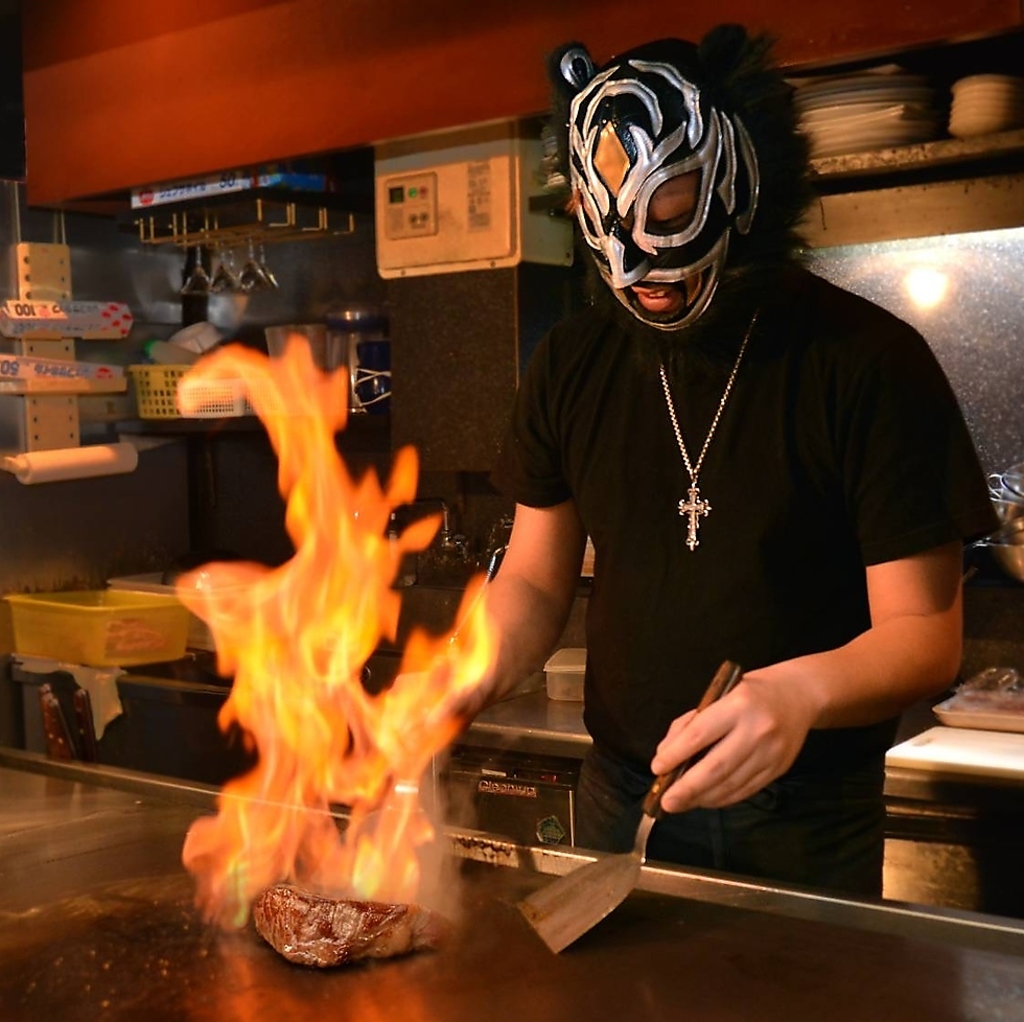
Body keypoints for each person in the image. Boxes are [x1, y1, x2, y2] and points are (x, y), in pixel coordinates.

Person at [469, 25, 998, 896]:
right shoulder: (571, 363)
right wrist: (453, 684)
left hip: (805, 817)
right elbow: (529, 581)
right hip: (619, 797)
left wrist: (794, 697)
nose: (636, 263)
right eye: (603, 224)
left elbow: (922, 637)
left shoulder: (866, 361)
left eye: (668, 213)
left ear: (738, 179)